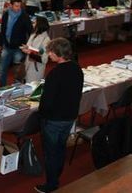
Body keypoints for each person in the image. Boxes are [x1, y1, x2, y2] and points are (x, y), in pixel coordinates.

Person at [36, 38, 83, 193]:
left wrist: (42, 115)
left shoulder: (55, 74)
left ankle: (51, 183)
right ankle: (57, 173)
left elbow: (47, 101)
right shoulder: (77, 69)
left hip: (54, 119)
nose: (49, 55)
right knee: (60, 147)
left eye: (50, 52)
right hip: (69, 116)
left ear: (57, 53)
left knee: (50, 152)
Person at [0, 0, 33, 87]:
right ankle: (2, 89)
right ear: (11, 5)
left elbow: (30, 31)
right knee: (1, 71)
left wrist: (29, 45)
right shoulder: (6, 15)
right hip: (7, 46)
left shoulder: (24, 16)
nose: (18, 8)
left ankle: (17, 90)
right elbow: (3, 30)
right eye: (16, 6)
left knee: (18, 72)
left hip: (19, 48)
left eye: (19, 6)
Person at [21, 16, 51, 83]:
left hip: (36, 67)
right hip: (28, 64)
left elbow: (44, 59)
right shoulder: (33, 34)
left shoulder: (46, 39)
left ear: (39, 24)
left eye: (35, 22)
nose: (33, 24)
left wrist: (30, 52)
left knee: (33, 86)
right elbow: (30, 47)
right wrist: (26, 47)